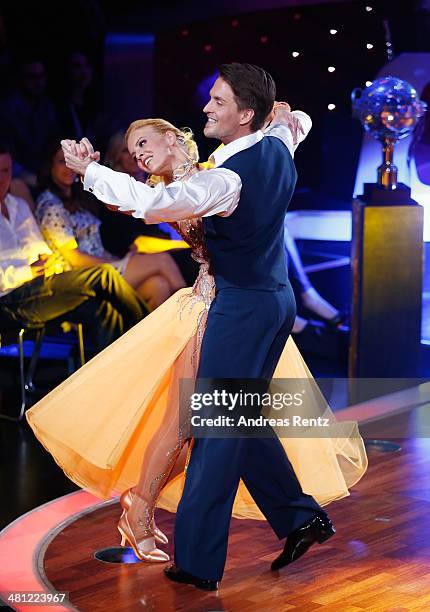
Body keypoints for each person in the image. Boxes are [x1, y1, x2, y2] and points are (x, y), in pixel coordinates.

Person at [28, 65, 366, 588]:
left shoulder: (224, 178)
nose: (207, 107)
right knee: (237, 418)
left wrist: (87, 171)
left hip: (240, 307)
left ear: (244, 114)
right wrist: (287, 114)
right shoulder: (276, 143)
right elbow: (296, 122)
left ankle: (198, 562)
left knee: (213, 429)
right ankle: (300, 518)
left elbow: (149, 203)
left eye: (218, 101)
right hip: (274, 301)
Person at [0, 143, 147, 355]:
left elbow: (40, 249)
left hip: (40, 286)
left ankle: (115, 374)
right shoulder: (49, 205)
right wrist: (27, 271)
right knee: (104, 275)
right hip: (9, 299)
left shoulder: (18, 206)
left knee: (102, 306)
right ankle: (152, 332)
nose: (1, 178)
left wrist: (45, 261)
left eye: (5, 171)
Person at [35, 144, 187, 310]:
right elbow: (75, 259)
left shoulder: (78, 201)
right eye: (61, 162)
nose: (68, 167)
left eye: (71, 161)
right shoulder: (51, 205)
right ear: (50, 167)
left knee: (158, 285)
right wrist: (115, 262)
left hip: (102, 265)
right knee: (162, 260)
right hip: (83, 276)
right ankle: (193, 316)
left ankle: (159, 334)